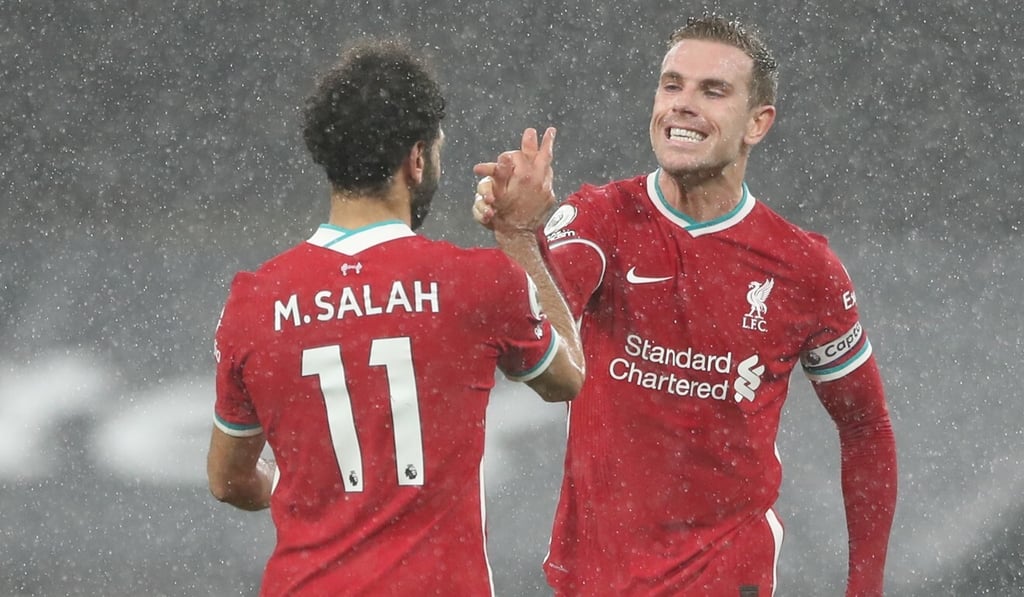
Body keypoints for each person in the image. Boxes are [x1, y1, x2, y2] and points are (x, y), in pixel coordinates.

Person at [474, 14, 897, 597]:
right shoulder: (600, 217)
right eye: (672, 85)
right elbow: (538, 328)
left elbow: (865, 424)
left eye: (712, 90)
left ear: (757, 123)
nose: (682, 104)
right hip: (596, 580)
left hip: (729, 578)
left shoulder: (805, 270)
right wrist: (519, 235)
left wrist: (865, 587)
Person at [206, 38, 585, 596]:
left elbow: (228, 479)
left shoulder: (254, 302)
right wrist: (519, 235)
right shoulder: (478, 283)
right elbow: (569, 376)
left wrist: (293, 489)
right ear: (415, 160)